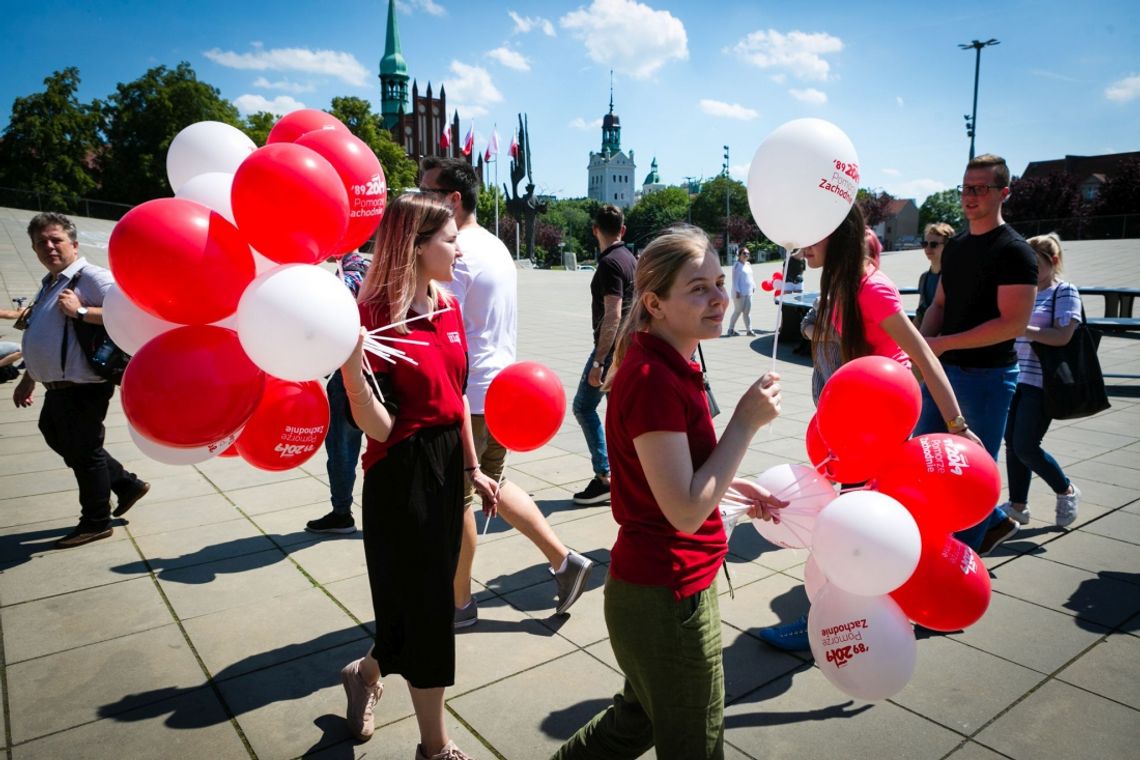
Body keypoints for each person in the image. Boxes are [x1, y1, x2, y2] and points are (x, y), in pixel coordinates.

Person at [553, 226, 784, 760]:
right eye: (698, 287)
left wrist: (733, 484)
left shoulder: (672, 361)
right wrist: (744, 425)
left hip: (659, 589)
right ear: (654, 303)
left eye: (720, 282)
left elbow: (667, 476)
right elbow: (682, 510)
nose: (719, 297)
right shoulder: (655, 375)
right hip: (667, 596)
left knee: (633, 725)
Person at [759, 203, 981, 651]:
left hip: (880, 424)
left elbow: (922, 354)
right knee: (860, 525)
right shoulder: (842, 284)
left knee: (851, 528)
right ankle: (849, 617)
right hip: (857, 423)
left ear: (837, 237)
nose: (801, 249)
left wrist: (957, 424)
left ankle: (831, 622)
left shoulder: (869, 288)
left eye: (811, 237)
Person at [336, 194, 498, 760]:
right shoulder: (372, 314)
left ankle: (365, 672)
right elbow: (379, 428)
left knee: (413, 608)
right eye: (450, 239)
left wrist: (475, 469)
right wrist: (352, 372)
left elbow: (455, 399)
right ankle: (436, 746)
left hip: (448, 465)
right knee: (429, 609)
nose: (459, 247)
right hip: (399, 474)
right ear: (415, 245)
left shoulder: (449, 304)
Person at [419, 156, 594, 627]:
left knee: (459, 503)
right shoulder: (492, 244)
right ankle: (564, 560)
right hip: (498, 391)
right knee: (491, 483)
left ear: (453, 199)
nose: (419, 200)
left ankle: (458, 604)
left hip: (466, 393)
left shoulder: (456, 253)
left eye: (427, 191)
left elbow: (429, 322)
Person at [917, 153, 1038, 556]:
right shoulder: (955, 249)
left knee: (969, 474)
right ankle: (978, 528)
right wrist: (920, 348)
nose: (969, 197)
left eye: (979, 189)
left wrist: (944, 344)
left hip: (987, 379)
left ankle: (957, 566)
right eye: (965, 188)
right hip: (944, 374)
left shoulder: (1015, 252)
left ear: (1003, 193)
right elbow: (938, 305)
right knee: (925, 462)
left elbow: (1012, 324)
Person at [12, 213, 150, 548]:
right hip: (58, 385)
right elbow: (43, 333)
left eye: (55, 239)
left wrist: (82, 312)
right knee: (58, 435)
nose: (48, 247)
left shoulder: (90, 278)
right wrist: (30, 377)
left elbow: (133, 311)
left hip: (84, 385)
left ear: (73, 244)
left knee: (84, 452)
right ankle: (124, 483)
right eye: (40, 242)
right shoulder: (52, 282)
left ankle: (96, 521)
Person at [1001, 233, 1082, 527]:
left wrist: (1023, 327)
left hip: (1042, 381)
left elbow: (1063, 336)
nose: (1029, 269)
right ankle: (1018, 505)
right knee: (1012, 443)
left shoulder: (1065, 292)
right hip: (1012, 376)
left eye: (1034, 263)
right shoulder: (1025, 292)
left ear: (1053, 261)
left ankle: (1066, 489)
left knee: (1026, 445)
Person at [572, 204, 636, 506]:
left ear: (595, 229)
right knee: (618, 417)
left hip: (611, 351)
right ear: (622, 230)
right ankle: (625, 477)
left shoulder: (610, 263)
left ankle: (605, 476)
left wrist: (599, 361)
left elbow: (612, 315)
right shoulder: (630, 258)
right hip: (627, 347)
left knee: (584, 407)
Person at [305, 250, 370, 534]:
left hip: (351, 371)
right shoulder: (375, 266)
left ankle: (342, 512)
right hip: (380, 369)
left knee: (342, 447)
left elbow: (335, 312)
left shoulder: (351, 272)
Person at [915, 222, 954, 327]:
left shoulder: (955, 277)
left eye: (933, 244)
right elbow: (920, 312)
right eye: (924, 244)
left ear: (948, 246)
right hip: (927, 335)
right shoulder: (924, 278)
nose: (927, 249)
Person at [725, 247, 756, 336]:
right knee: (738, 311)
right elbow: (735, 280)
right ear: (739, 255)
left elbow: (751, 277)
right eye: (744, 253)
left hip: (748, 292)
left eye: (748, 253)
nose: (746, 255)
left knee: (747, 312)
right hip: (739, 293)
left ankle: (749, 330)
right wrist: (737, 291)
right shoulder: (737, 265)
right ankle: (730, 329)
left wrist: (754, 286)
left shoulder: (748, 264)